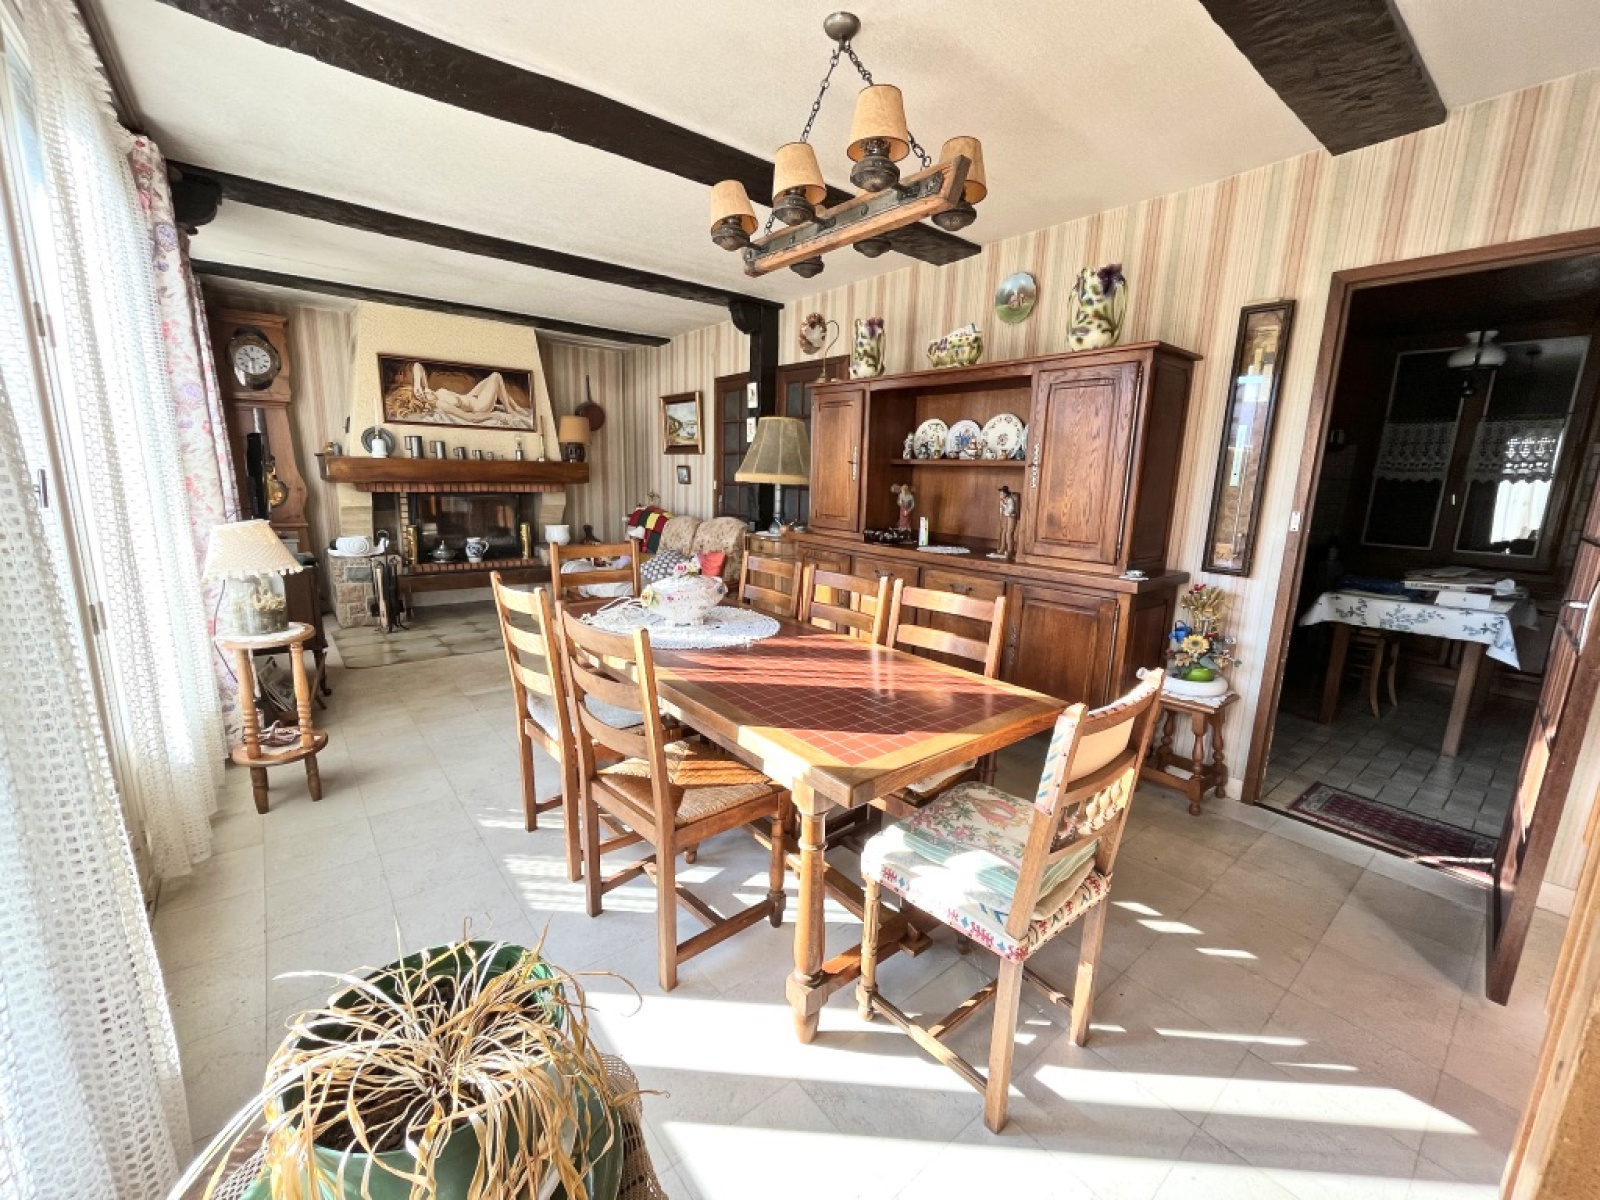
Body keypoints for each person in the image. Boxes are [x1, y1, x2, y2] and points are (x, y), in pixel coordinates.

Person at [410, 361, 530, 425]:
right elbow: (469, 417)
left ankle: (515, 407)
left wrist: (417, 385)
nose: (426, 391)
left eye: (423, 391)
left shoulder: (430, 393)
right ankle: (510, 409)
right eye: (424, 395)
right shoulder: (441, 404)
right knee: (496, 376)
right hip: (479, 407)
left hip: (471, 396)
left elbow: (417, 365)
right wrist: (494, 415)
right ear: (427, 403)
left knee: (492, 380)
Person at [993, 485, 1020, 560]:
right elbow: (1001, 510)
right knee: (1003, 532)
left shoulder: (1010, 500)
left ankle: (1010, 551)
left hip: (1011, 517)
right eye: (1000, 494)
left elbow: (1010, 510)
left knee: (1009, 533)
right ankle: (1002, 548)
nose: (1000, 495)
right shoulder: (1003, 500)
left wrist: (1003, 505)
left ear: (1005, 494)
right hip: (1005, 516)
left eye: (1002, 493)